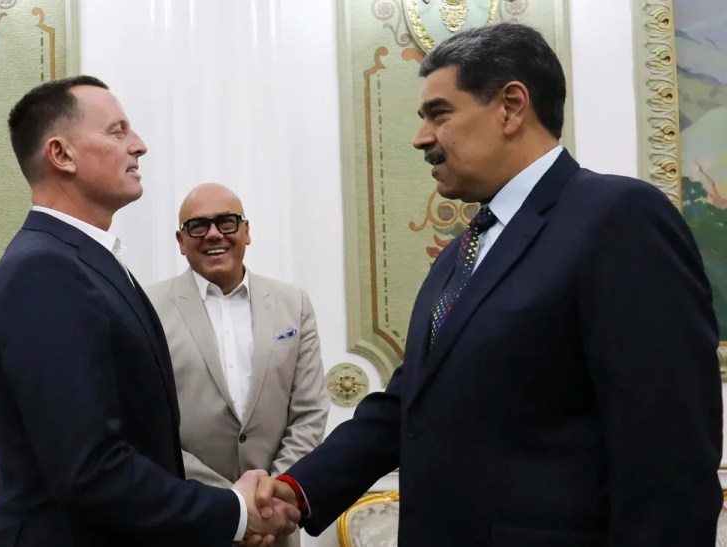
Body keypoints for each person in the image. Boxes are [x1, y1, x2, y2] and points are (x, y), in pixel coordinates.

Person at [255, 23, 723, 546]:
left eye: (439, 113)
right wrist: (296, 491)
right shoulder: (460, 253)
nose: (421, 138)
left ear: (511, 106)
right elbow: (408, 405)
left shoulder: (620, 219)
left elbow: (668, 453)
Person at [0, 76, 297, 547]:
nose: (139, 145)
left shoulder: (81, 260)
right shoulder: (45, 272)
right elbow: (90, 472)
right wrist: (233, 511)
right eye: (117, 131)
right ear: (61, 155)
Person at [146, 182, 330, 547]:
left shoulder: (294, 303)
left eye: (227, 222)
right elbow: (149, 427)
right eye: (198, 226)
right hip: (189, 521)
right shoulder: (146, 308)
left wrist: (269, 501)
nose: (214, 234)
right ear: (181, 241)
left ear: (246, 231)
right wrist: (233, 508)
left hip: (274, 524)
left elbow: (309, 413)